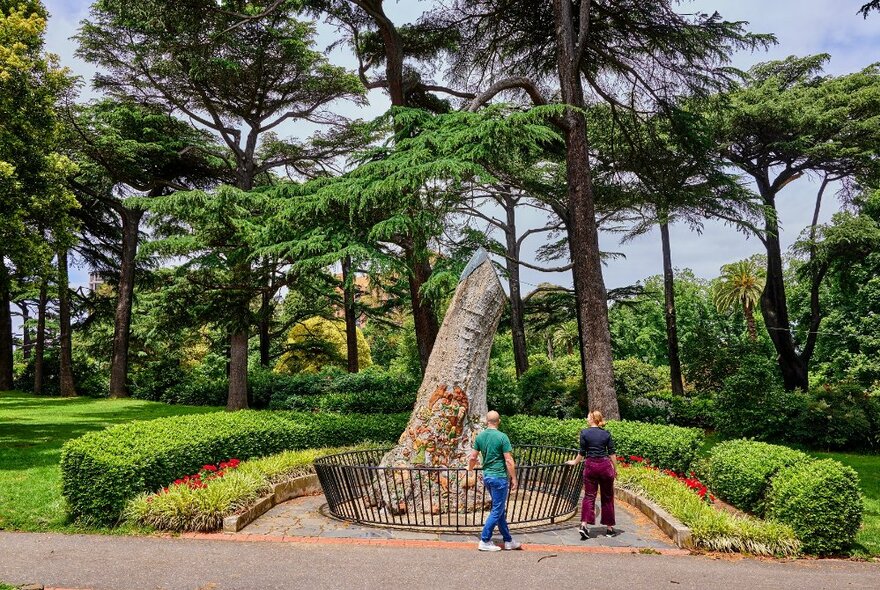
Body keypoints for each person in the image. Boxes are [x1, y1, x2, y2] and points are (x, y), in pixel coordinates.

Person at [468, 410, 522, 551]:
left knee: (499, 509)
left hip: (487, 477)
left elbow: (473, 457)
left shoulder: (480, 437)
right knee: (497, 509)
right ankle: (485, 540)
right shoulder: (502, 437)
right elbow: (509, 460)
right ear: (499, 421)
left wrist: (470, 469)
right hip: (499, 477)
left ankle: (508, 540)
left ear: (487, 421)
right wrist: (514, 478)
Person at [566, 410, 618, 539]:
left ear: (593, 419)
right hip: (605, 466)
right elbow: (611, 453)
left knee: (589, 496)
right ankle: (610, 528)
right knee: (607, 496)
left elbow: (582, 452)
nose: (586, 419)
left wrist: (575, 462)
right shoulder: (606, 434)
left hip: (591, 466)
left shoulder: (584, 433)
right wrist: (615, 469)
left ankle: (584, 525)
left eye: (588, 417)